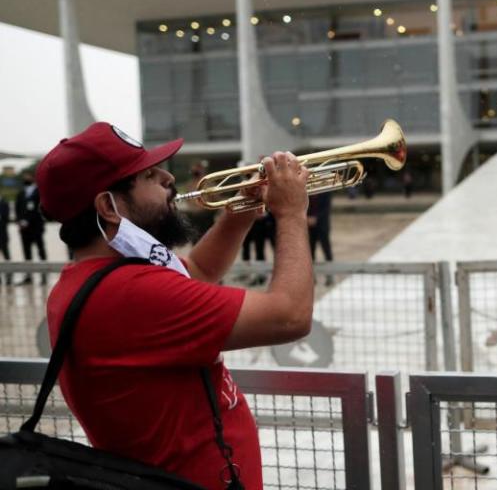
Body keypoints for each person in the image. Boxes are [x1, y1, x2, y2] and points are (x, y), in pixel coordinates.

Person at [36, 122, 314, 490]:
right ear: (108, 205)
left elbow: (198, 271)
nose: (169, 178)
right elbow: (290, 316)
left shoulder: (97, 278)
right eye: (149, 175)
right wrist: (292, 213)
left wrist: (241, 211)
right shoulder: (130, 293)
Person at [15, 170, 47, 285]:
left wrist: (28, 220)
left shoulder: (39, 192)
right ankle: (28, 276)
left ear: (32, 178)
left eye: (27, 176)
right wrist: (20, 222)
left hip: (36, 227)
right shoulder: (21, 193)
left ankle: (44, 276)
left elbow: (41, 209)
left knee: (40, 250)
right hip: (24, 229)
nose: (25, 178)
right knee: (26, 252)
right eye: (24, 176)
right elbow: (17, 209)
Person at [307, 192, 334, 286]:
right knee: (310, 252)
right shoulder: (307, 191)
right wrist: (307, 217)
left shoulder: (326, 193)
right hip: (309, 226)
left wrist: (316, 218)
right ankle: (311, 277)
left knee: (327, 251)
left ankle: (330, 275)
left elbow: (326, 208)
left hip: (322, 225)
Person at [0, 195, 11, 285]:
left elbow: (6, 219)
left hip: (2, 235)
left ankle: (9, 277)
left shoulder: (4, 203)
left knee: (6, 256)